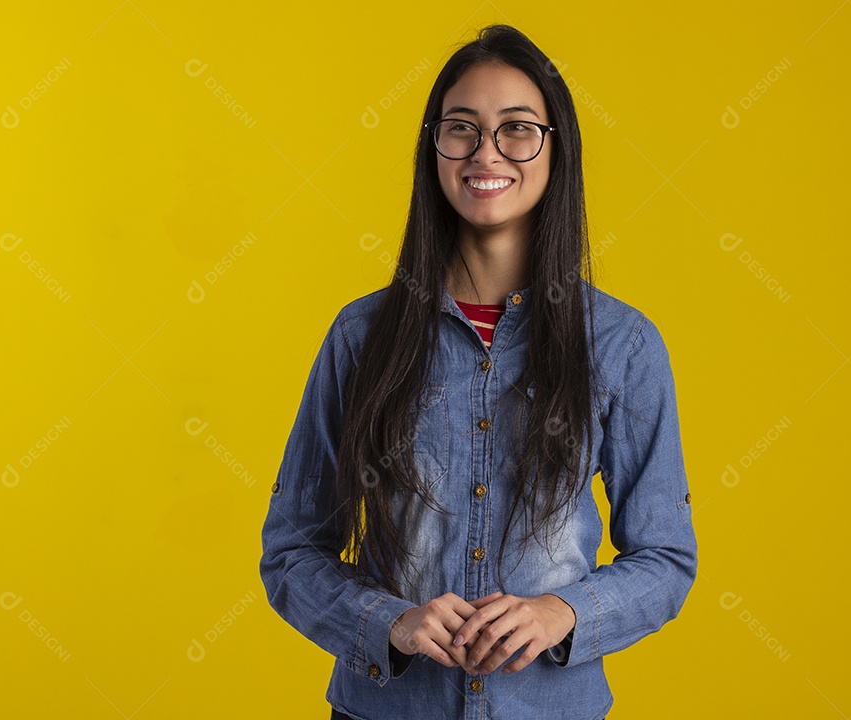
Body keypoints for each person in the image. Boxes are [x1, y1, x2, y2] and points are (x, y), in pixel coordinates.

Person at [259, 24, 697, 720]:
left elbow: (667, 558)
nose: (485, 152)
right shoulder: (361, 336)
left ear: (558, 149)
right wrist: (388, 622)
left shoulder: (622, 344)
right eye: (460, 128)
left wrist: (564, 612)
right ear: (433, 148)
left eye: (517, 129)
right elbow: (291, 551)